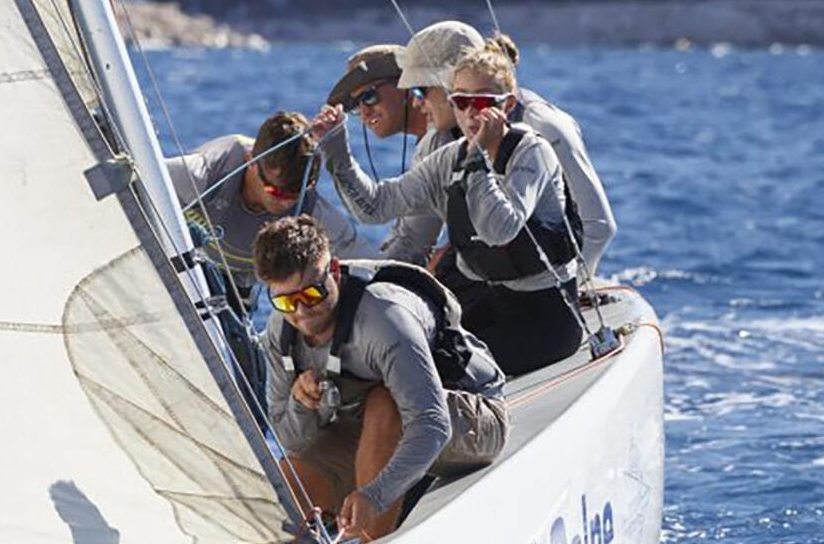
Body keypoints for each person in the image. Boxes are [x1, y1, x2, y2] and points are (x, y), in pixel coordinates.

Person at [311, 44, 586, 377]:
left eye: (482, 103)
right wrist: (337, 151)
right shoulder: (449, 156)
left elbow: (499, 229)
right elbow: (376, 207)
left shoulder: (532, 152)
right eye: (461, 101)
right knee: (387, 347)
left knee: (428, 366)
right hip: (491, 302)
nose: (471, 114)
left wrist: (478, 162)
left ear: (508, 105)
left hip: (547, 319)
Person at [251, 215, 507, 544]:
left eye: (312, 294)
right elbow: (297, 443)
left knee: (384, 404)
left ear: (335, 272)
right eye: (285, 302)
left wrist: (375, 495)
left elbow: (432, 424)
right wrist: (301, 405)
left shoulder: (384, 318)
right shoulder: (281, 335)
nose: (301, 312)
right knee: (284, 491)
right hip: (368, 426)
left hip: (471, 417)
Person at [397, 22, 617, 278]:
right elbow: (414, 239)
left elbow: (598, 227)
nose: (415, 102)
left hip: (544, 285)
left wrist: (569, 287)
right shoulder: (435, 142)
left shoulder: (545, 128)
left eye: (420, 90)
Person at [164, 110, 374, 309]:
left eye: (294, 194)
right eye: (277, 192)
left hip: (236, 285)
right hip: (177, 262)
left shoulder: (311, 210)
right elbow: (136, 176)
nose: (285, 204)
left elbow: (370, 264)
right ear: (250, 160)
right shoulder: (201, 175)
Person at [326, 45, 435, 264]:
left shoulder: (439, 141)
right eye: (356, 105)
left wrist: (334, 147)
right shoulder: (430, 141)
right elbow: (412, 241)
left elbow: (374, 209)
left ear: (405, 83)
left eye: (368, 96)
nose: (364, 112)